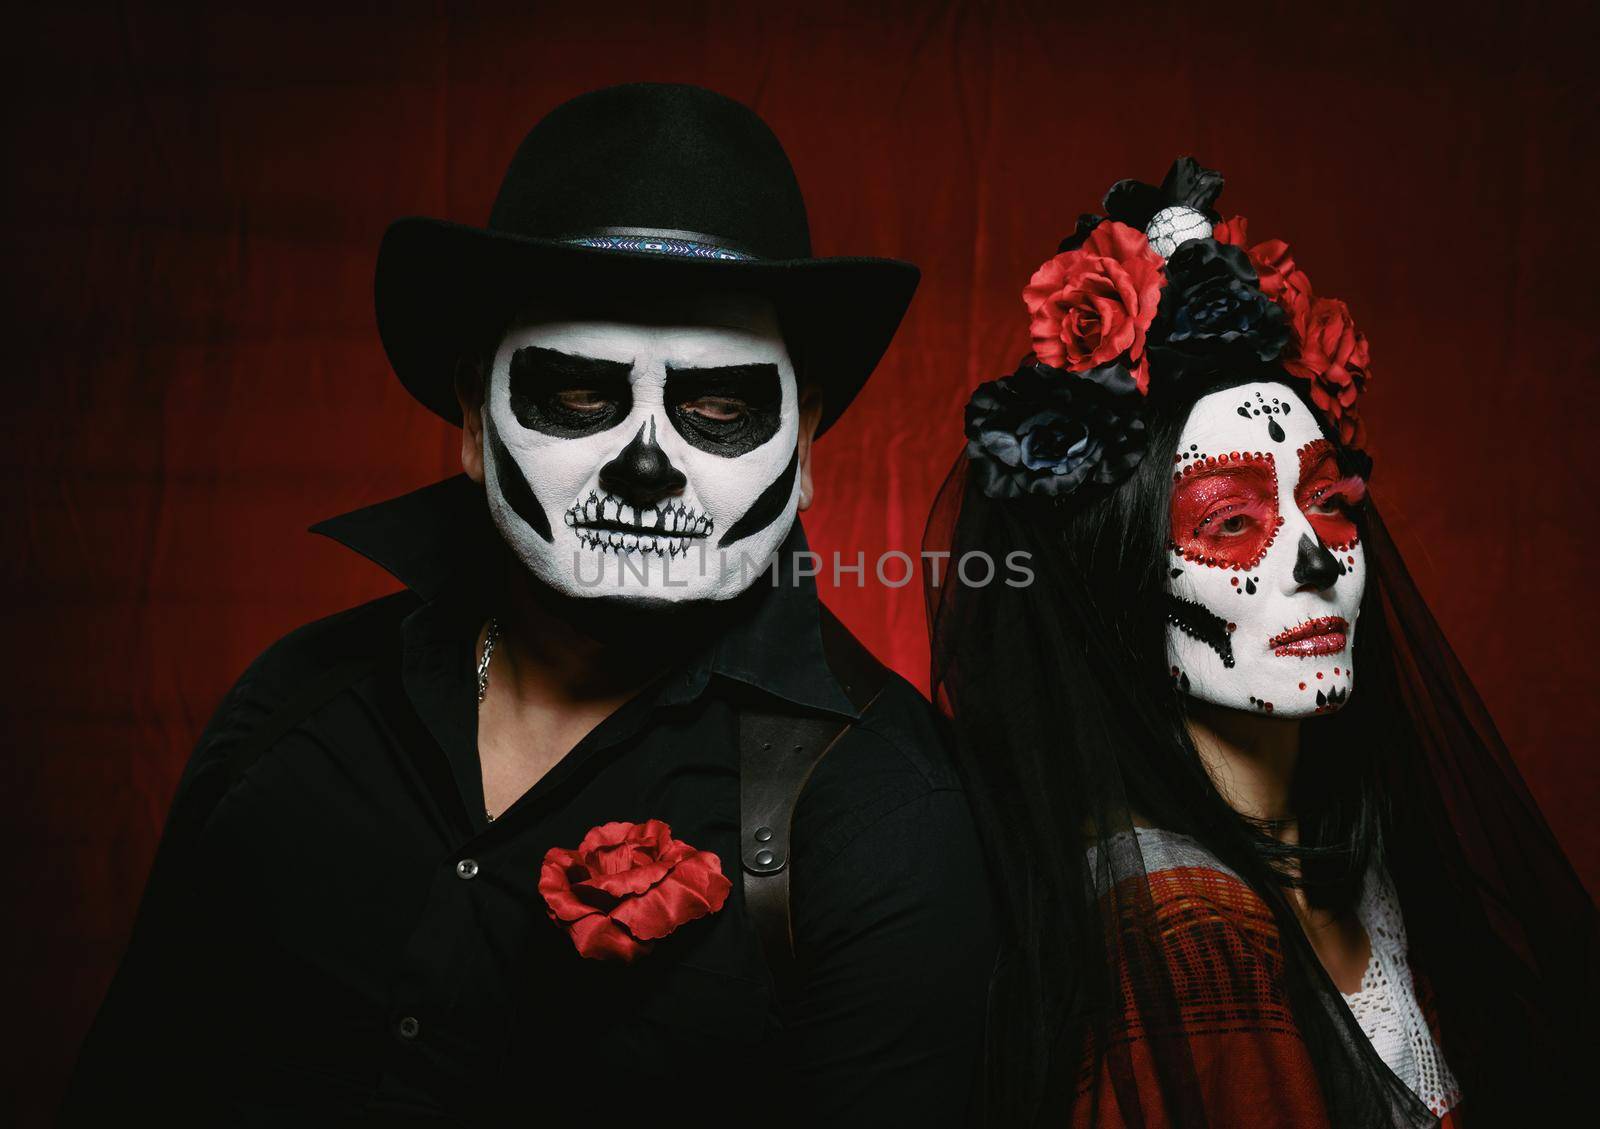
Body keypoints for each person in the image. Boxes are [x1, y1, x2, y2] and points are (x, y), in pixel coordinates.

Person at [65, 83, 994, 1126]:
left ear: (806, 441)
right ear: (473, 417)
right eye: (579, 395)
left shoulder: (878, 814)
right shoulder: (297, 706)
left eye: (719, 407)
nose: (646, 464)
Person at [925, 158, 1595, 1127]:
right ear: (1124, 591)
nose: (1314, 561)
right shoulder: (1187, 930)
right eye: (1230, 524)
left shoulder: (1352, 860)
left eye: (1326, 503)